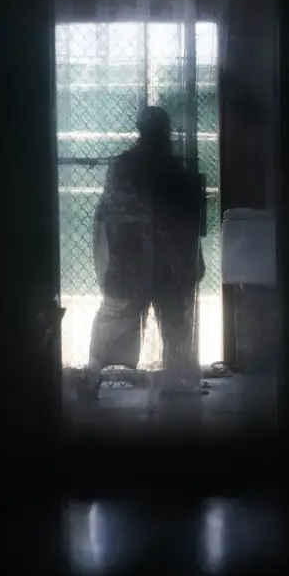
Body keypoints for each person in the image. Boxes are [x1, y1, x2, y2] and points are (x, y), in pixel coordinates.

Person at [79, 106, 205, 401]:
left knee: (113, 318)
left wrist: (112, 258)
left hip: (130, 260)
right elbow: (186, 225)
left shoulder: (124, 165)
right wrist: (190, 260)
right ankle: (177, 380)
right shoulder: (173, 168)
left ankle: (92, 375)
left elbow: (110, 217)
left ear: (140, 130)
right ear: (165, 131)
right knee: (175, 321)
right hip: (166, 264)